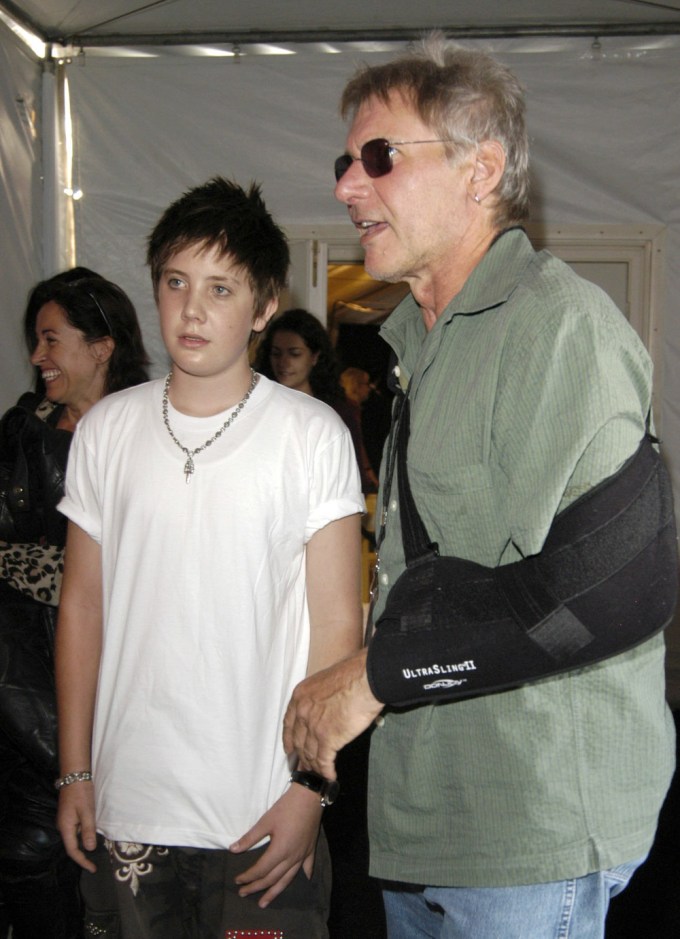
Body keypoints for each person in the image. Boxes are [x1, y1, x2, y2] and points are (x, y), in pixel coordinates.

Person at [282, 34, 677, 939]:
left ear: (481, 170)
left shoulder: (557, 325)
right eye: (345, 161)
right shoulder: (420, 344)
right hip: (433, 815)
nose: (347, 185)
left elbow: (609, 588)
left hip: (530, 827)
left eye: (379, 157)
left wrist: (376, 674)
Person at [54, 177, 364, 939]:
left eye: (221, 288)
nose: (192, 309)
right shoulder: (106, 431)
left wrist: (308, 790)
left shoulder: (310, 433)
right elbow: (81, 606)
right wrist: (74, 770)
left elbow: (336, 624)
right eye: (176, 282)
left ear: (262, 307)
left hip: (259, 811)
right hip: (129, 800)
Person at [0, 269, 149, 939]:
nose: (38, 358)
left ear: (103, 345)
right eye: (37, 341)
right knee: (29, 857)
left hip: (124, 687)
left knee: (119, 871)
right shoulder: (21, 429)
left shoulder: (152, 433)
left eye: (52, 340)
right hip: (20, 685)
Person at [257, 309, 378, 492]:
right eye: (276, 353)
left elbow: (352, 483)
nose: (283, 362)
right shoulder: (258, 409)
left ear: (314, 357)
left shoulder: (338, 413)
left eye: (294, 353)